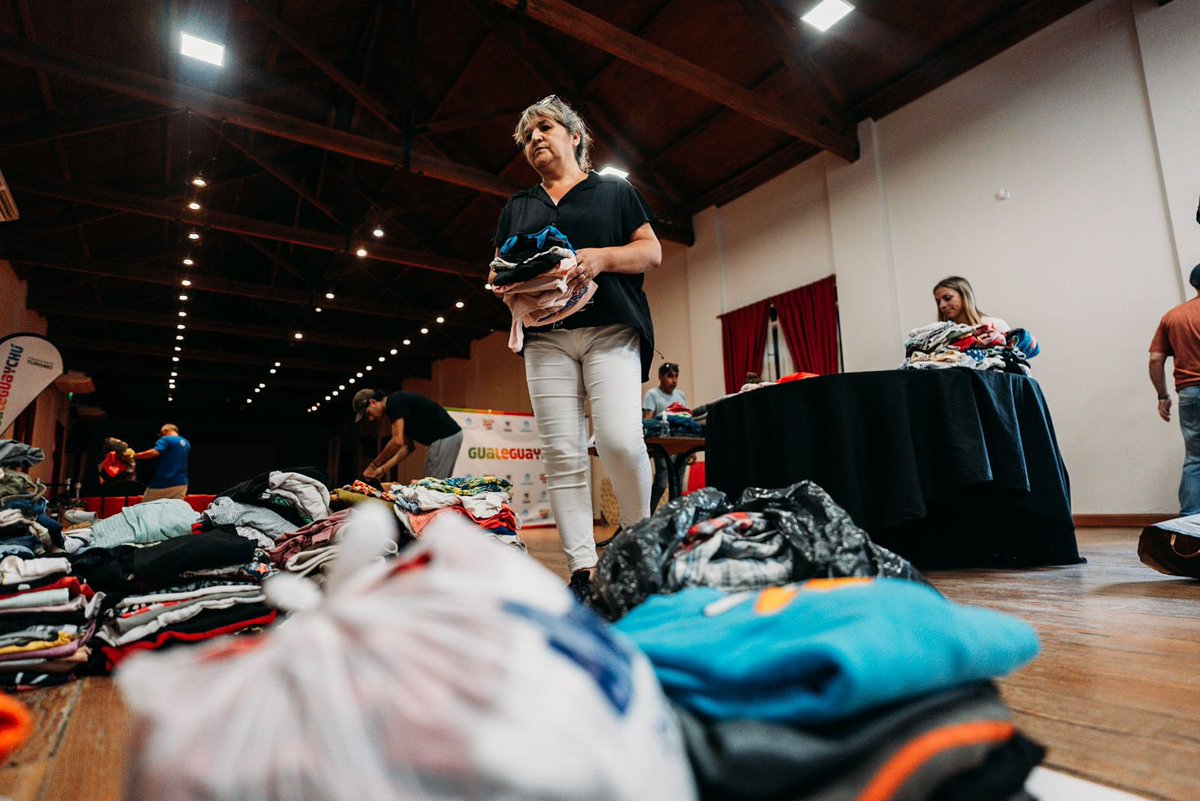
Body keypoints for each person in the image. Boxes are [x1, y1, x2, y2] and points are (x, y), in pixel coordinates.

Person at [490, 94, 661, 602]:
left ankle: (640, 543)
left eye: (544, 128)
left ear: (575, 135)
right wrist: (520, 285)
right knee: (562, 453)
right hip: (545, 339)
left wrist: (603, 257)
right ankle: (582, 570)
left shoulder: (613, 191)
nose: (535, 140)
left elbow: (650, 251)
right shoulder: (517, 206)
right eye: (527, 137)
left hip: (610, 327)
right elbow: (496, 272)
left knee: (619, 440)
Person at [1149, 264, 1200, 517]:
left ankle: (1189, 530)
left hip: (1191, 393)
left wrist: (1162, 395)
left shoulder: (1174, 316)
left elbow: (1155, 359)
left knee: (1196, 459)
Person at [351, 388, 463, 480]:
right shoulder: (399, 408)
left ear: (373, 402)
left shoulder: (394, 402)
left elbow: (397, 441)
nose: (370, 419)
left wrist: (373, 465)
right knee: (438, 485)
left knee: (431, 488)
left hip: (445, 436)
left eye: (368, 413)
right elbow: (407, 448)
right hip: (451, 436)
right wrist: (383, 469)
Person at [643, 362, 688, 511]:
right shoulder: (652, 394)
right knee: (661, 483)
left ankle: (673, 518)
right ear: (661, 377)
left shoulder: (681, 395)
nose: (674, 380)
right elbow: (647, 421)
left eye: (676, 376)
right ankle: (646, 516)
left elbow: (686, 420)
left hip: (680, 443)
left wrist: (690, 446)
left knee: (677, 486)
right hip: (662, 445)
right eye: (670, 376)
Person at [133, 423, 191, 501]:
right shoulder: (186, 443)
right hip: (182, 484)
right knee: (174, 510)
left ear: (165, 431)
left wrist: (133, 456)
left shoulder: (166, 439)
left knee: (145, 507)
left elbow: (153, 453)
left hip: (164, 482)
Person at [933, 276, 1009, 333]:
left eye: (947, 298)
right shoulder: (940, 336)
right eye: (938, 302)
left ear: (964, 296)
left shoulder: (996, 325)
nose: (942, 305)